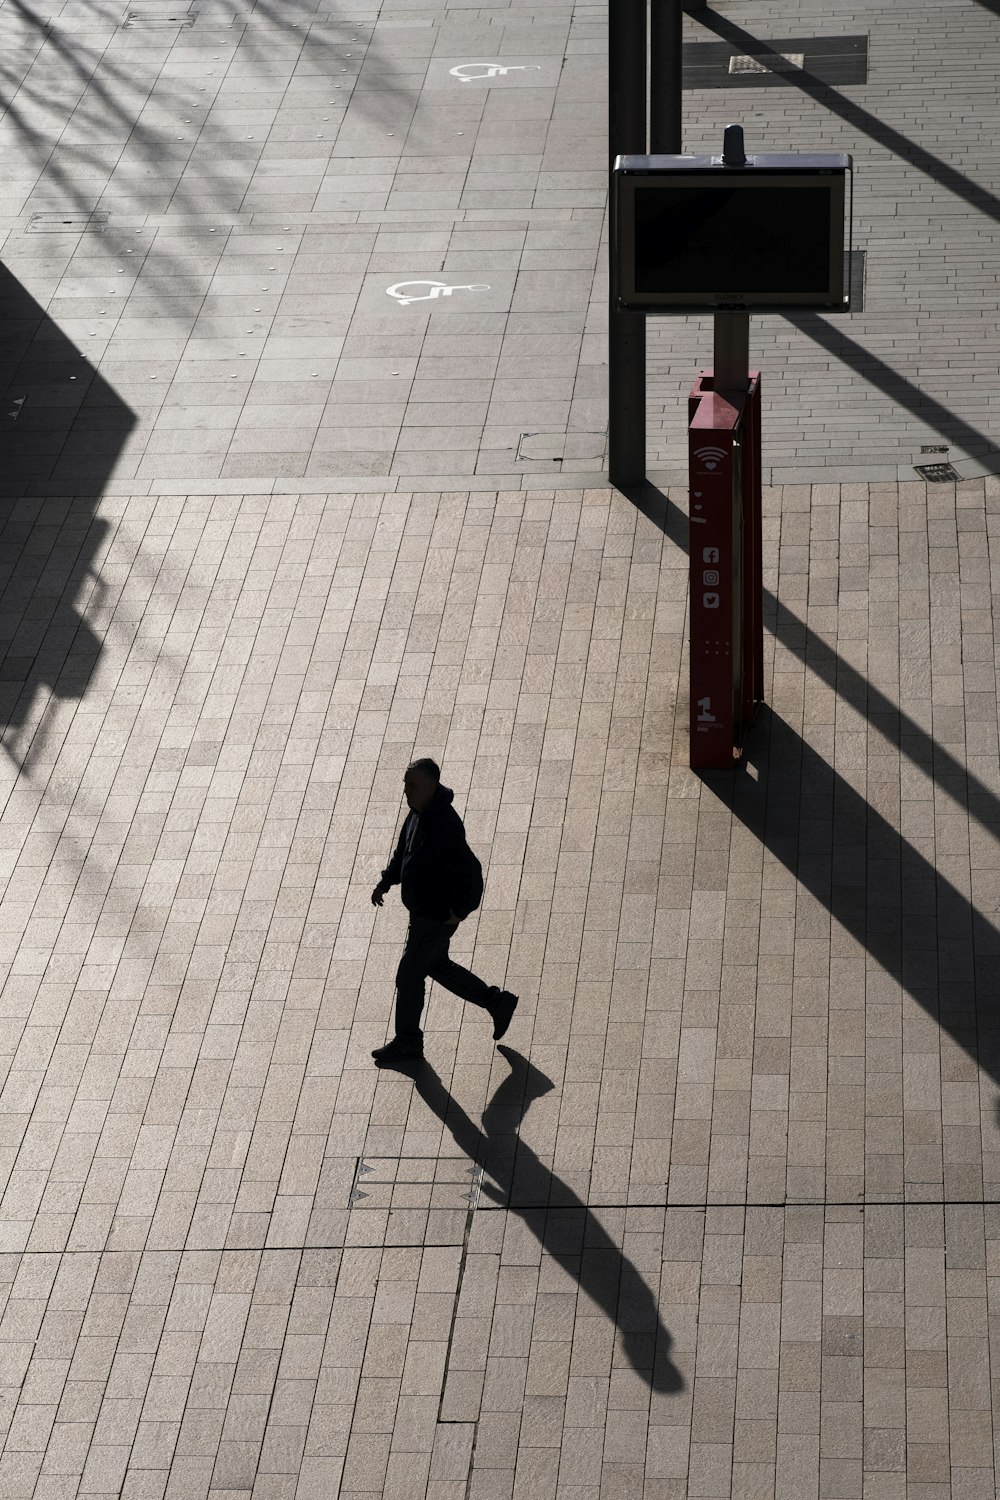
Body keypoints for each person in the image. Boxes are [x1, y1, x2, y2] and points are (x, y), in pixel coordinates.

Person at [371, 758, 518, 1064]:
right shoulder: (417, 813)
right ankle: (497, 1002)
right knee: (436, 966)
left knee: (409, 976)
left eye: (411, 785)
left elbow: (471, 872)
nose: (405, 791)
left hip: (435, 917)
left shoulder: (444, 825)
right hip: (422, 912)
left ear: (429, 785)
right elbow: (404, 851)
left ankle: (408, 1042)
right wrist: (386, 881)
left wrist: (460, 912)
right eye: (404, 783)